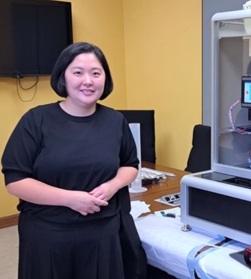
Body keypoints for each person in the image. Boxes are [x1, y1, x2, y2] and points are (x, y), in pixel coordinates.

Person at [1, 42, 147, 279]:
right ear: (63, 78)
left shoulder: (115, 121)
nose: (87, 81)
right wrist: (71, 200)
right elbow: (15, 180)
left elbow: (130, 164)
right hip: (47, 236)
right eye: (78, 72)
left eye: (96, 73)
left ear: (105, 79)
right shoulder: (36, 120)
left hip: (103, 234)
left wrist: (113, 185)